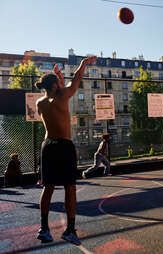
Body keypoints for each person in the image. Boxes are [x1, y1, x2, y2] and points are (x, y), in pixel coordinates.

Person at [35, 56, 96, 245]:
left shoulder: (40, 103)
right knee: (70, 188)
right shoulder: (62, 97)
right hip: (63, 146)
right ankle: (70, 230)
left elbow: (61, 88)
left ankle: (44, 229)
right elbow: (77, 79)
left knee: (48, 187)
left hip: (48, 146)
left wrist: (59, 78)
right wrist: (83, 63)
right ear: (55, 86)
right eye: (58, 83)